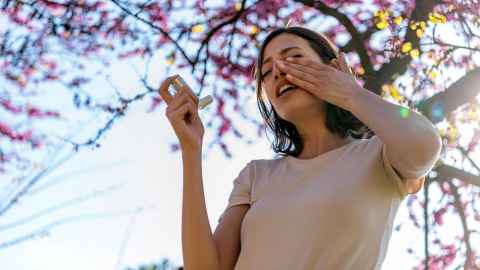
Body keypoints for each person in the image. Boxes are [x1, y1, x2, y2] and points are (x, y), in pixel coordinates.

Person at [158, 26, 442, 270]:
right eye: (267, 72)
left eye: (294, 58)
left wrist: (350, 93)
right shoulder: (257, 175)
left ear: (334, 69)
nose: (279, 71)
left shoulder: (380, 156)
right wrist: (191, 148)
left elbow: (425, 147)